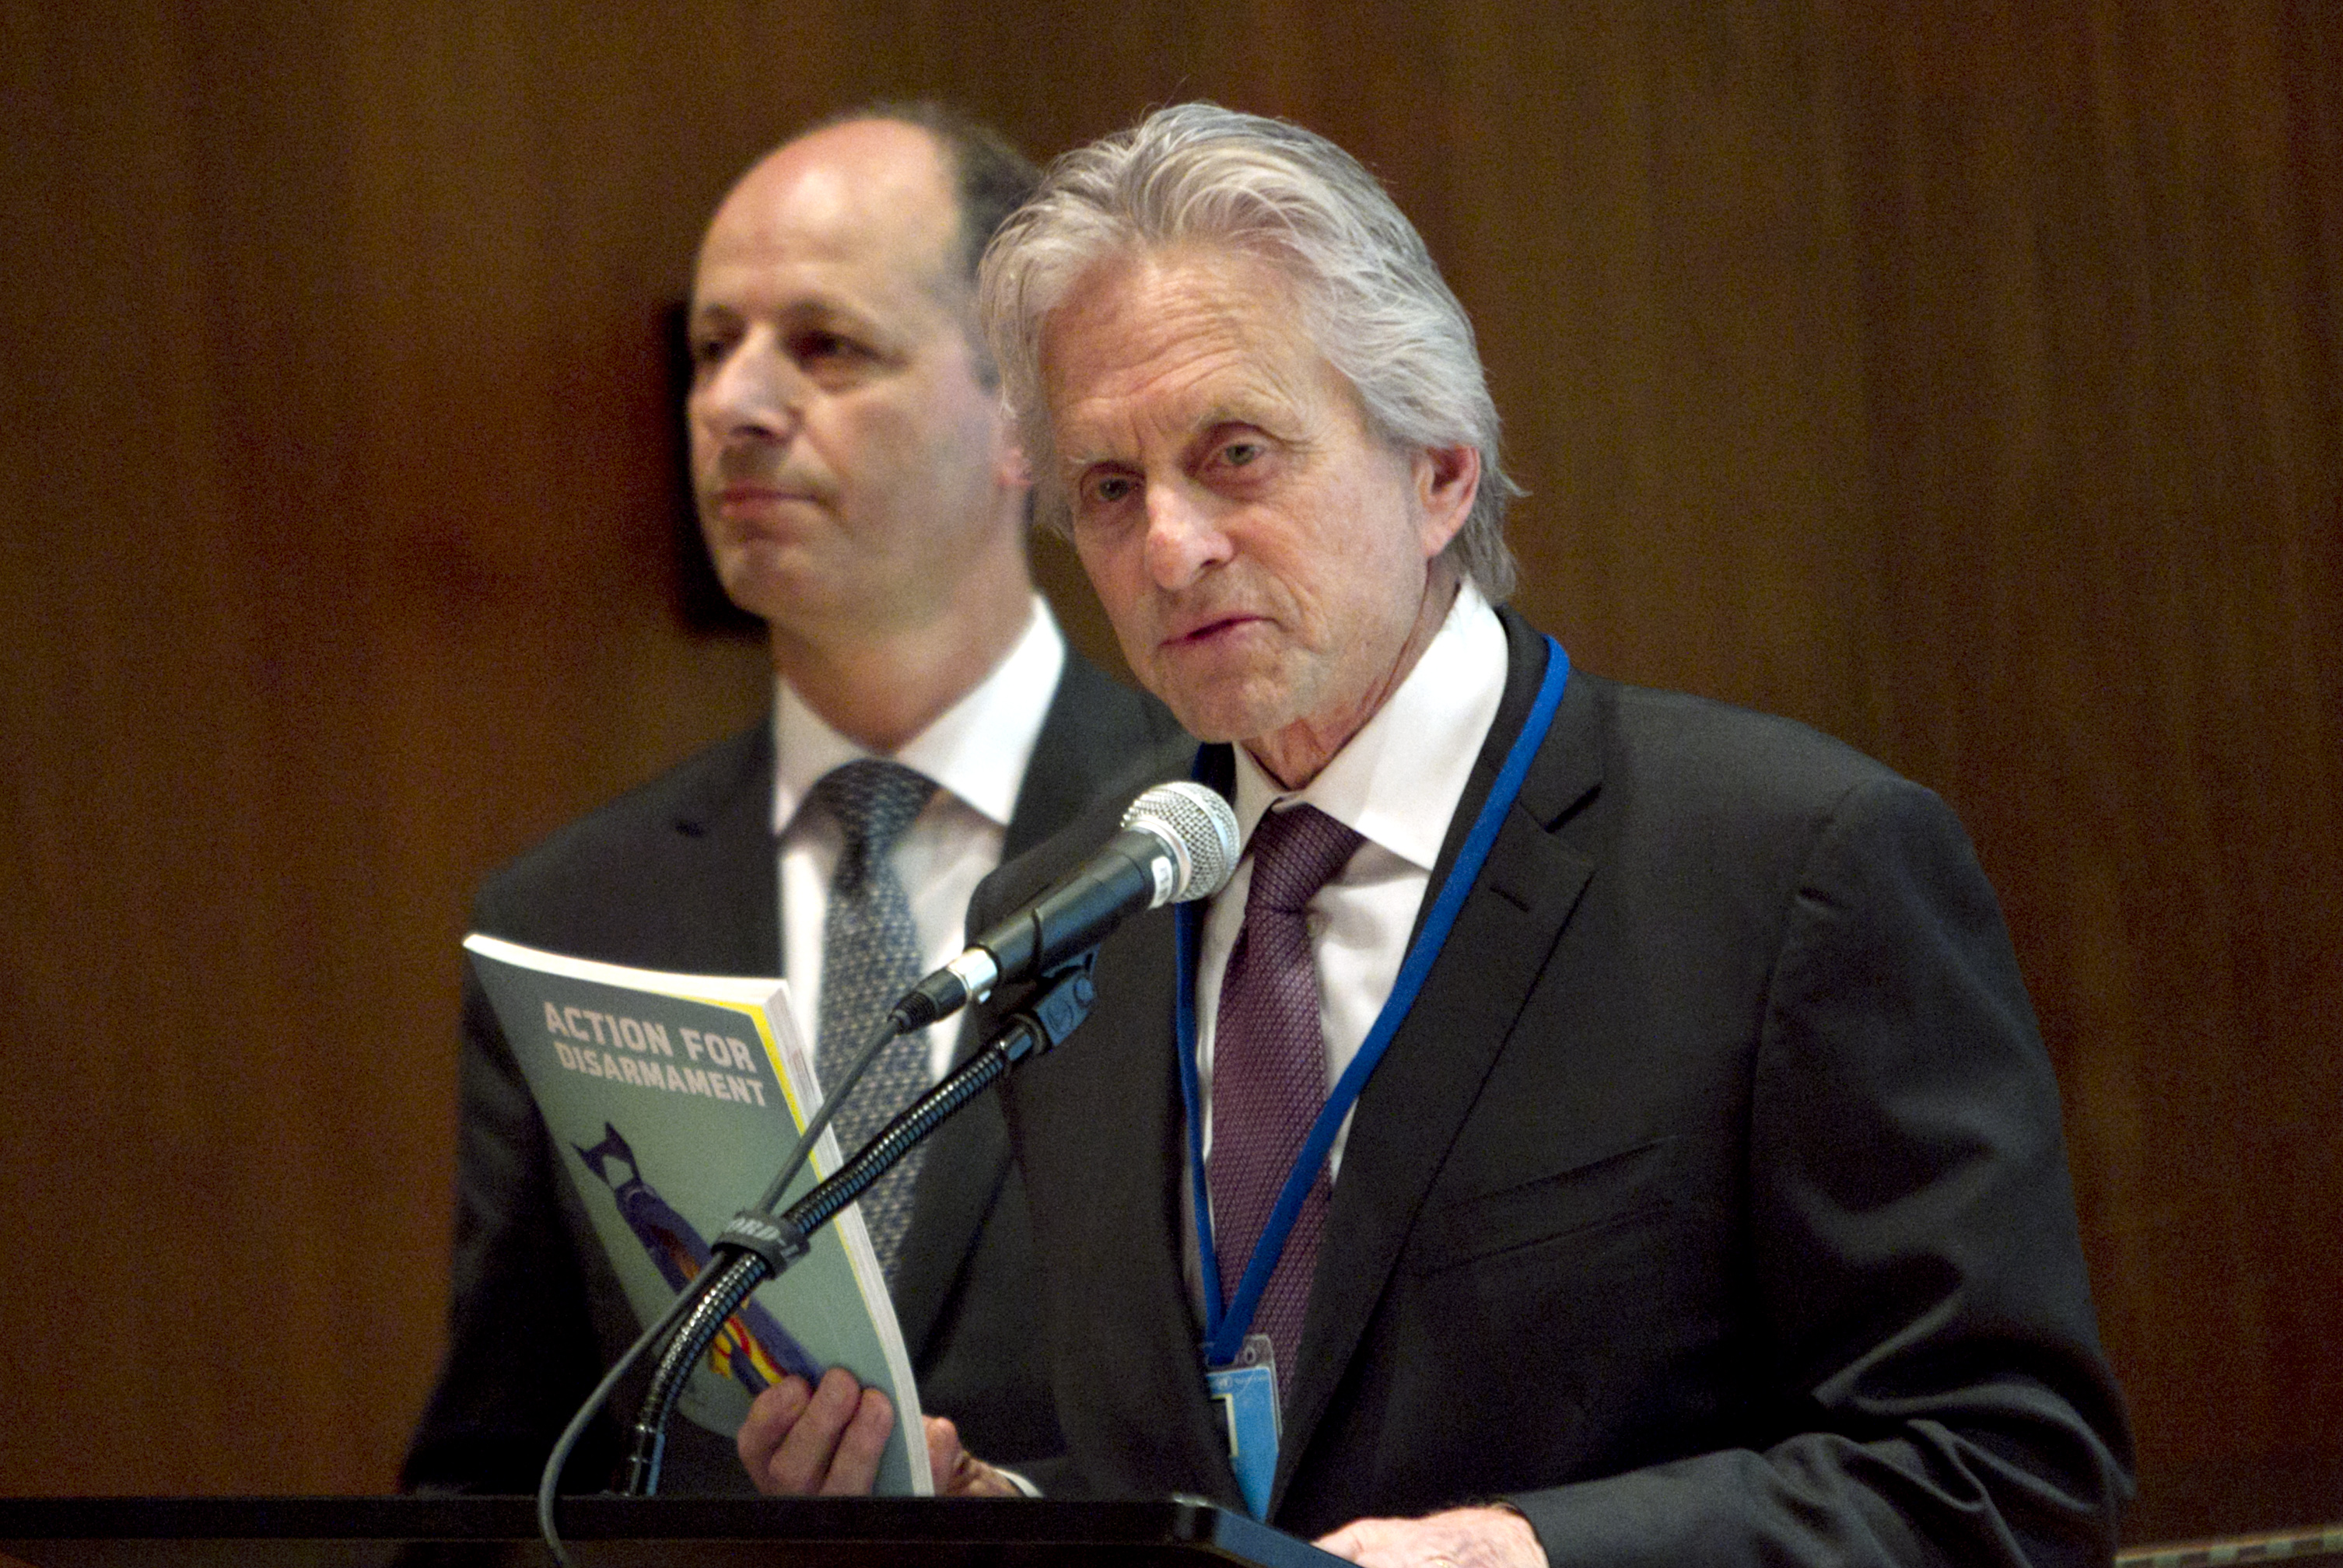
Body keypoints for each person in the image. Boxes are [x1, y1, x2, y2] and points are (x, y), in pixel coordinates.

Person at [735, 103, 2135, 1566]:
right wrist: (996, 1523)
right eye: (1108, 490)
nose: (1169, 547)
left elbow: (2006, 1475)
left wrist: (1528, 1556)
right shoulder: (1073, 920)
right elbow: (1212, 1475)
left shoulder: (1794, 871)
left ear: (1440, 470)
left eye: (1236, 454)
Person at [403, 103, 1189, 1493]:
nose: (735, 404)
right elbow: (491, 1484)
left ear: (1026, 419)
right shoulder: (574, 910)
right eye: (715, 349)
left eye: (826, 347)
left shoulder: (1205, 836)